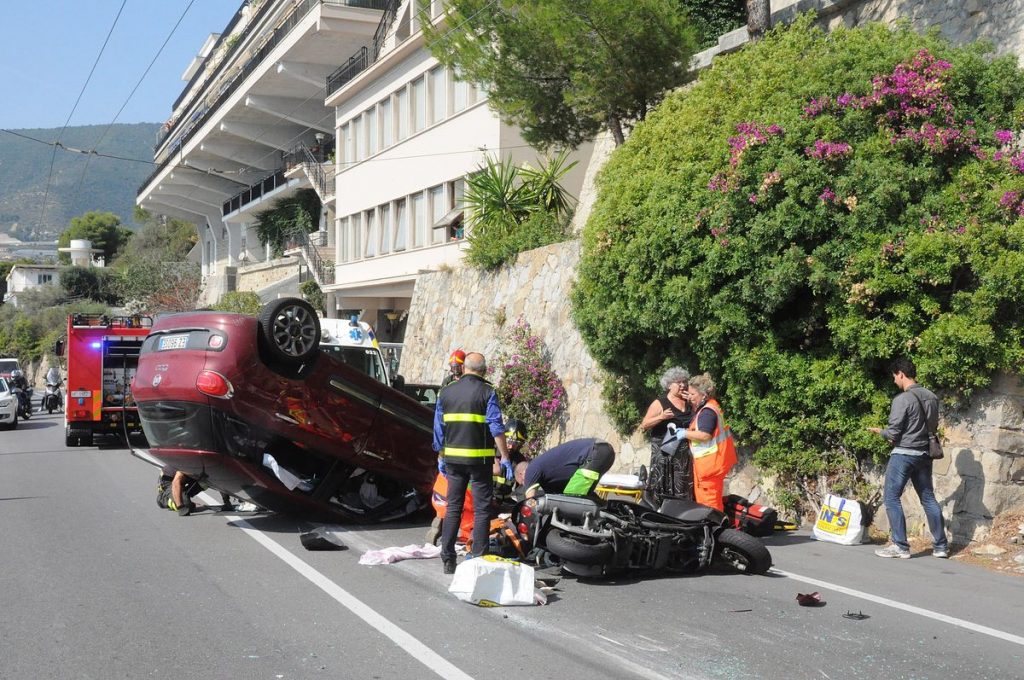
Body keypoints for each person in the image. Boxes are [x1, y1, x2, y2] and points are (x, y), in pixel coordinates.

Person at [434, 352, 512, 574]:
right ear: (484, 370)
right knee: (481, 510)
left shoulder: (445, 392)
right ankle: (478, 557)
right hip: (480, 462)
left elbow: (439, 430)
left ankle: (448, 559)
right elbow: (496, 427)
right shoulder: (488, 392)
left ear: (464, 368)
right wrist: (505, 457)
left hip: (453, 461)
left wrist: (440, 456)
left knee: (453, 508)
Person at [868, 358, 949, 559]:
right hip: (924, 454)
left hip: (904, 454)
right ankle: (940, 547)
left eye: (895, 376)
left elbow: (894, 432)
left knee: (891, 497)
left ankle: (900, 545)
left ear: (901, 374)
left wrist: (881, 432)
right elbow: (931, 426)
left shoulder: (901, 399)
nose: (895, 380)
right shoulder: (932, 397)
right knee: (928, 498)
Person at [679, 373, 737, 511]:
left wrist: (683, 433)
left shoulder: (707, 412)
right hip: (714, 463)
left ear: (703, 395)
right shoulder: (711, 406)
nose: (690, 397)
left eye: (693, 394)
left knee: (709, 506)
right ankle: (713, 529)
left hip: (710, 466)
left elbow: (705, 435)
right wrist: (693, 401)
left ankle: (714, 531)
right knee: (710, 503)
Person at [640, 367, 693, 506]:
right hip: (664, 453)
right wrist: (661, 417)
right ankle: (658, 509)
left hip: (683, 456)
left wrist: (693, 403)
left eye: (684, 382)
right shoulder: (660, 403)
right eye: (678, 382)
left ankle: (679, 512)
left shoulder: (688, 402)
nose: (683, 385)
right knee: (662, 484)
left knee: (682, 485)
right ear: (669, 385)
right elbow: (644, 424)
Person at [514, 438, 616, 499]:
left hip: (595, 452)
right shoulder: (546, 476)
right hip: (603, 452)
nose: (526, 484)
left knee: (572, 499)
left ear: (521, 474)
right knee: (584, 497)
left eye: (523, 482)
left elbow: (530, 501)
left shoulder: (531, 469)